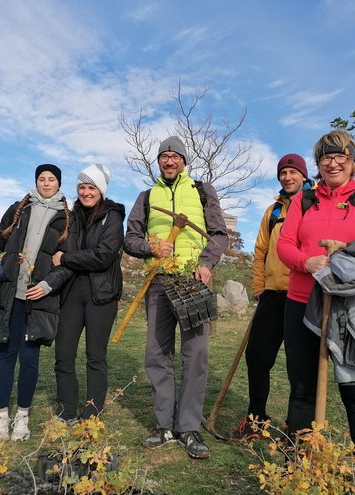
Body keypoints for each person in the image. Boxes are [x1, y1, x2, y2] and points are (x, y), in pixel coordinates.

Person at [276, 129, 355, 487]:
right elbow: (285, 244)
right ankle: (296, 470)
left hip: (351, 309)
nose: (332, 163)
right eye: (325, 157)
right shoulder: (305, 200)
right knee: (302, 390)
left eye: (340, 156)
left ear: (352, 161)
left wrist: (350, 251)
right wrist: (306, 262)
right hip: (300, 305)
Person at [124, 136, 228, 459]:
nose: (169, 161)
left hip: (193, 280)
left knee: (195, 355)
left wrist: (207, 264)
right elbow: (130, 239)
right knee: (156, 354)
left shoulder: (201, 191)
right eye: (164, 157)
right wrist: (150, 247)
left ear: (183, 161)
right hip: (158, 282)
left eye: (174, 156)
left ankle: (188, 427)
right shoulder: (146, 197)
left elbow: (219, 234)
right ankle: (164, 424)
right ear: (159, 162)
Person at [0, 164, 71, 441]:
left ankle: (22, 416)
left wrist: (48, 284)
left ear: (58, 183)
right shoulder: (19, 208)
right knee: (6, 355)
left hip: (39, 296)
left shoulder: (67, 217)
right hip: (11, 292)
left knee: (30, 358)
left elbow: (66, 262)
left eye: (51, 179)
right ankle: (1, 417)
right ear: (36, 182)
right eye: (41, 179)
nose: (46, 183)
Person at [228, 154, 312, 441]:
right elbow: (260, 251)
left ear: (304, 175)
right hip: (272, 296)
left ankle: (297, 427)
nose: (287, 177)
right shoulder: (273, 212)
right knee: (257, 357)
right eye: (283, 173)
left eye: (293, 172)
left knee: (298, 366)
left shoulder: (314, 205)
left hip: (303, 298)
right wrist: (258, 287)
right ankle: (256, 419)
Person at [52, 164, 125, 422]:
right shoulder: (72, 217)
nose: (85, 192)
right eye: (81, 187)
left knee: (95, 356)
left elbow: (104, 256)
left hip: (101, 294)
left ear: (101, 190)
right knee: (63, 354)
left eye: (91, 187)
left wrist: (68, 258)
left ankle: (92, 414)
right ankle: (66, 410)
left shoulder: (112, 217)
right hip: (72, 291)